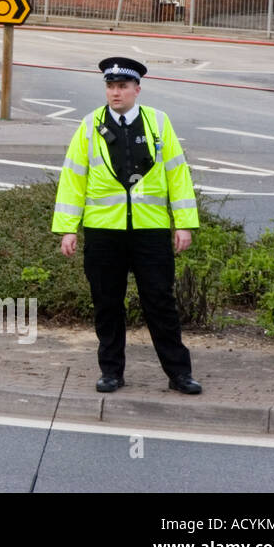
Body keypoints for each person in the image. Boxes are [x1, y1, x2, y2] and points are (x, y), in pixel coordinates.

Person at [52, 56, 202, 396]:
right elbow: (73, 179)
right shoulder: (90, 126)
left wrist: (184, 224)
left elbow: (178, 175)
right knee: (107, 303)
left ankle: (179, 373)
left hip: (150, 231)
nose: (115, 93)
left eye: (122, 87)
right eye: (110, 86)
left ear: (137, 89)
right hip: (104, 232)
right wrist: (67, 228)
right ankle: (111, 372)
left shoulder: (159, 123)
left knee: (160, 303)